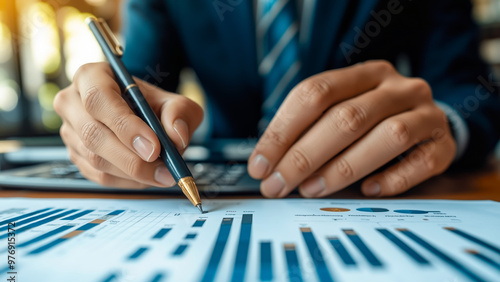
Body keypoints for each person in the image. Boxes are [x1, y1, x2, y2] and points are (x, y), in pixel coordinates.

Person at [54, 0, 500, 198]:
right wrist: (108, 120)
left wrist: (444, 124)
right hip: (222, 178)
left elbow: (470, 88)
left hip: (366, 182)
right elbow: (140, 84)